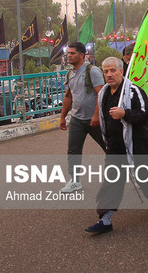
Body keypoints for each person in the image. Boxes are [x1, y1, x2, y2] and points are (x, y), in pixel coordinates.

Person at [85, 57, 148, 234]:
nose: (109, 74)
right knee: (111, 180)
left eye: (113, 70)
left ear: (121, 71)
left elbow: (144, 114)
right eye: (106, 71)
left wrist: (124, 113)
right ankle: (106, 219)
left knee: (144, 176)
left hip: (138, 143)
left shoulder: (133, 91)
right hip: (115, 145)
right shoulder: (104, 93)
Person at [59, 42, 106, 193]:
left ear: (81, 55)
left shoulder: (92, 71)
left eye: (72, 53)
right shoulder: (70, 73)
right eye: (68, 53)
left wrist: (96, 115)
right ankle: (74, 180)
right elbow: (68, 96)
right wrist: (62, 117)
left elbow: (101, 94)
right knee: (73, 150)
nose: (69, 56)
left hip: (94, 120)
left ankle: (132, 172)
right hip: (77, 119)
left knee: (110, 148)